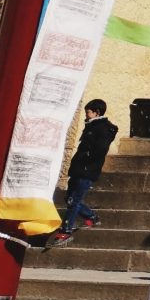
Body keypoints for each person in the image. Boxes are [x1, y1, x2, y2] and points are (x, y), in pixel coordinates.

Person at [53, 98, 117, 241]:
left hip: (87, 170)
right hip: (78, 169)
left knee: (74, 201)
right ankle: (92, 217)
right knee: (69, 199)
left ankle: (66, 231)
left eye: (88, 112)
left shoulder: (103, 128)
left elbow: (100, 150)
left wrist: (85, 158)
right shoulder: (91, 126)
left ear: (97, 112)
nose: (86, 115)